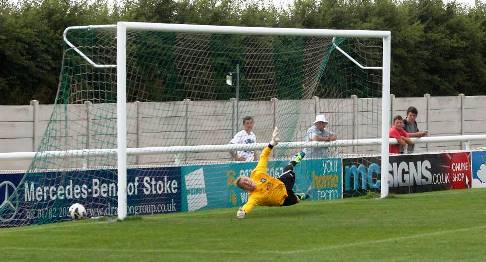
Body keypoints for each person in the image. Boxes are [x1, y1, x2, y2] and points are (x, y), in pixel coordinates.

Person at [235, 127, 308, 219]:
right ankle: (298, 196)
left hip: (282, 184)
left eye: (246, 180)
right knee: (296, 200)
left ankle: (293, 161)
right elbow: (249, 205)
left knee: (289, 170)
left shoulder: (257, 174)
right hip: (282, 200)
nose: (247, 182)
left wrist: (272, 143)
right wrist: (243, 211)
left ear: (248, 177)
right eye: (244, 184)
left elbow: (263, 156)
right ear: (246, 190)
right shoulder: (254, 196)